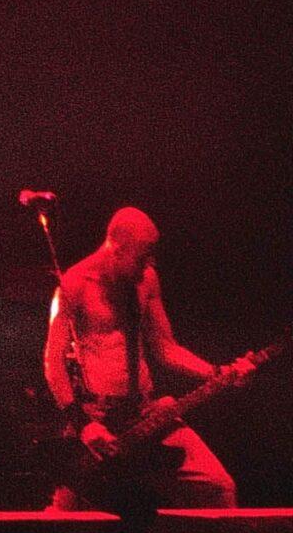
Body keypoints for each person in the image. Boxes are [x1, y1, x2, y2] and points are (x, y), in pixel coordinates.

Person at [43, 206, 236, 512]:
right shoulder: (74, 285)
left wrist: (216, 372)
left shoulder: (146, 280)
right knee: (68, 524)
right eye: (143, 255)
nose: (150, 264)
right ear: (117, 249)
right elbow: (53, 364)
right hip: (98, 422)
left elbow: (166, 347)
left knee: (219, 487)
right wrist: (83, 425)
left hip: (146, 412)